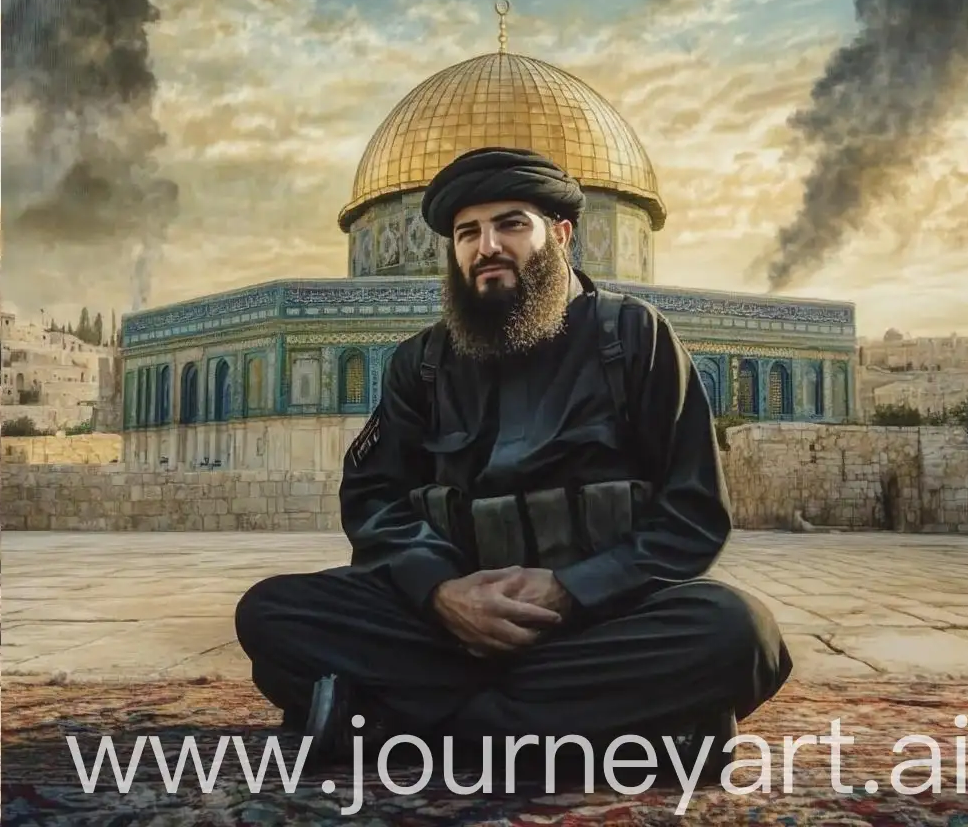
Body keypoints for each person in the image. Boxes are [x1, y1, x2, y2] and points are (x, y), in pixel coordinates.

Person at [233, 146, 790, 780]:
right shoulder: (420, 363)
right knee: (272, 615)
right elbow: (374, 500)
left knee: (737, 633)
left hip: (597, 623)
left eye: (510, 224)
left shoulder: (635, 339)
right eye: (468, 233)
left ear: (561, 234)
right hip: (449, 630)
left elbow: (690, 514)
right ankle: (626, 731)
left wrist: (572, 590)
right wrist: (442, 592)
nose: (486, 246)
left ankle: (410, 731)